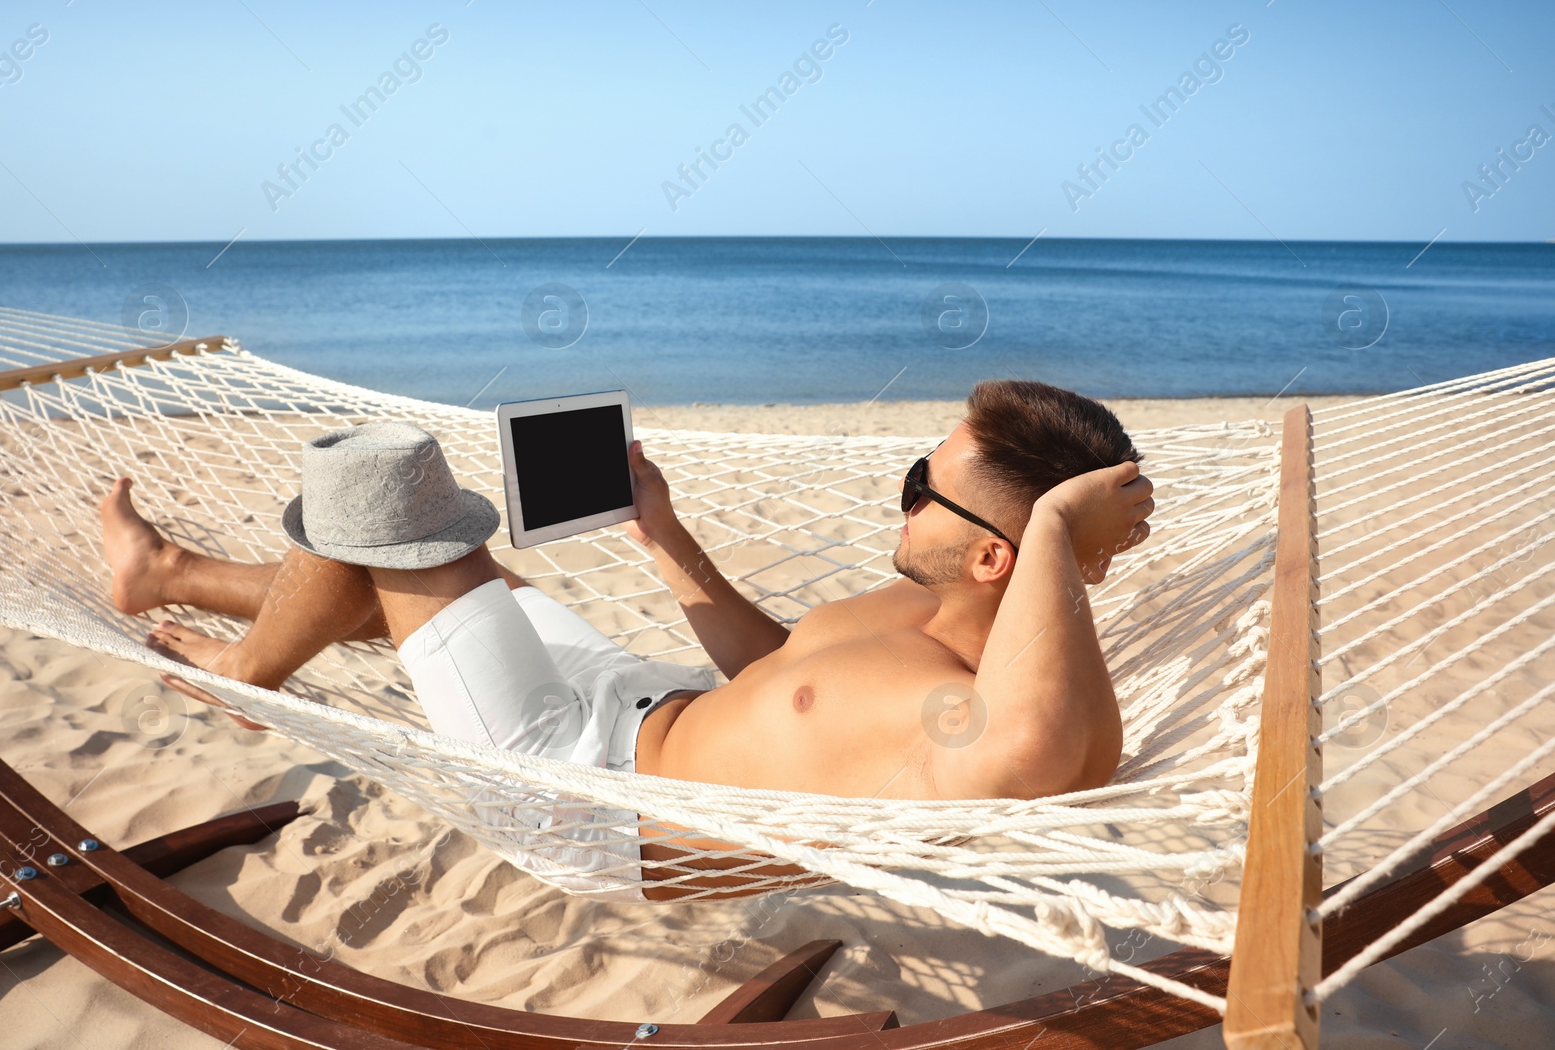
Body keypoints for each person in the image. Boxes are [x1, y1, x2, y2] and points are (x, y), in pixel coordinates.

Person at [100, 380, 1153, 900]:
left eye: (925, 491)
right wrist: (663, 533)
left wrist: (1057, 524)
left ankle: (245, 673)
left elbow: (1038, 754)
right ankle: (171, 575)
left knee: (385, 493)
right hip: (636, 700)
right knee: (472, 580)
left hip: (575, 789)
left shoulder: (984, 712)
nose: (905, 494)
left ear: (994, 560)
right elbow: (777, 673)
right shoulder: (913, 615)